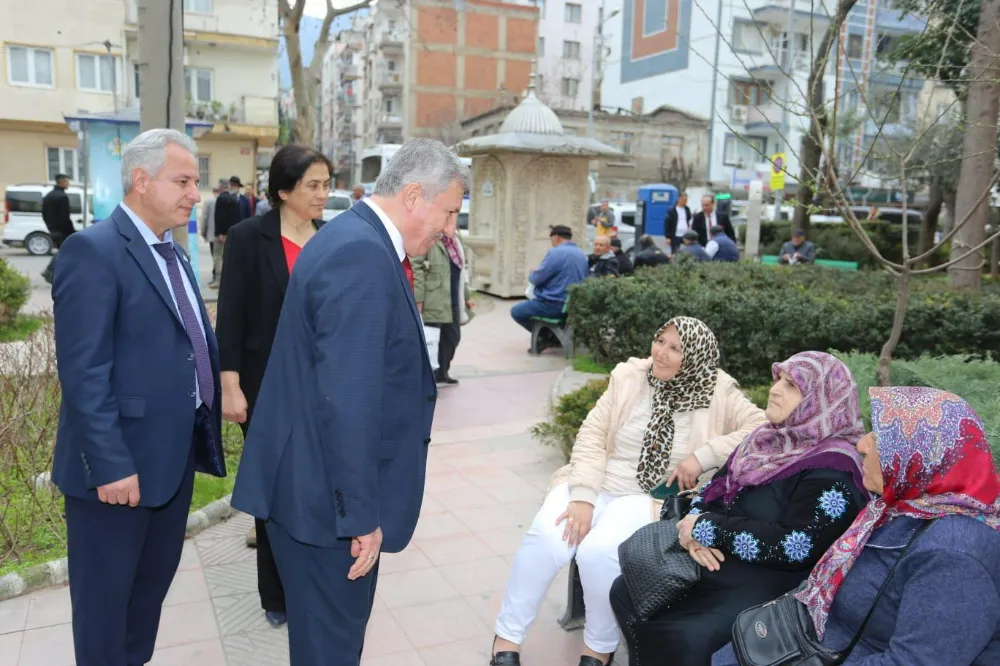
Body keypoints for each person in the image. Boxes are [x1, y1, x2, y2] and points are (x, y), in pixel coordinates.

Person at [230, 138, 470, 666]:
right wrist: (360, 517)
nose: (450, 228)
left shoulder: (350, 238)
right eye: (449, 212)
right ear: (414, 195)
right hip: (324, 507)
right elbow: (349, 399)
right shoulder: (361, 254)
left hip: (311, 491)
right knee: (330, 651)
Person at [490, 317, 767, 666]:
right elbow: (592, 434)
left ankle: (597, 649)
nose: (661, 354)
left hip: (646, 497)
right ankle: (508, 637)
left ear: (695, 356)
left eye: (675, 348)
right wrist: (583, 497)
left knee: (599, 552)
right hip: (595, 479)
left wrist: (704, 455)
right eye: (660, 341)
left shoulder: (718, 391)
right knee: (547, 536)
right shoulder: (630, 377)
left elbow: (762, 427)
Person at [50, 128, 226, 666]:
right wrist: (109, 465)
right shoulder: (94, 251)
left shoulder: (171, 253)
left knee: (144, 605)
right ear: (141, 179)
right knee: (106, 614)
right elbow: (84, 372)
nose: (195, 193)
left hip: (168, 467)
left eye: (196, 181)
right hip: (116, 476)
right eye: (183, 180)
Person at [611, 351, 869, 666]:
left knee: (687, 636)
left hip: (771, 582)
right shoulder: (765, 439)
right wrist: (691, 525)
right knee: (627, 588)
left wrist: (708, 528)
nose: (775, 389)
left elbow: (796, 546)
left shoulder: (834, 468)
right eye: (778, 379)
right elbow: (713, 487)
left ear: (821, 401)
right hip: (714, 560)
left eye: (791, 386)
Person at [713, 386, 1000, 665]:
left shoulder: (955, 557)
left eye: (881, 438)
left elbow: (915, 660)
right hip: (811, 639)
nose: (862, 444)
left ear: (919, 456)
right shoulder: (900, 507)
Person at [216, 144, 332, 628]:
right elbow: (232, 316)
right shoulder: (248, 238)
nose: (324, 195)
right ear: (283, 190)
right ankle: (276, 594)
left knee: (318, 487)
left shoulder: (332, 239)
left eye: (327, 184)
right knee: (275, 490)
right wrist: (230, 385)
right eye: (313, 185)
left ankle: (313, 583)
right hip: (266, 387)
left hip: (324, 390)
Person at [411, 230, 474, 386]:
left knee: (452, 337)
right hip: (433, 297)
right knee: (432, 340)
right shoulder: (428, 235)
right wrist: (418, 297)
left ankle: (442, 373)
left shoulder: (456, 238)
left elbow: (461, 270)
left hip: (453, 296)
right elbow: (415, 267)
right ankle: (428, 379)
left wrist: (466, 296)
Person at [510, 225, 588, 331]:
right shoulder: (581, 254)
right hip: (573, 305)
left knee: (517, 311)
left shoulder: (555, 253)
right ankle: (550, 336)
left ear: (556, 238)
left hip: (554, 304)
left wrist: (533, 274)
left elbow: (536, 279)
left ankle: (545, 336)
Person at [41, 173, 75, 283]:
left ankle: (55, 272)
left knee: (62, 251)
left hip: (52, 229)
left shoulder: (48, 196)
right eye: (67, 181)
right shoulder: (62, 197)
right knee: (65, 251)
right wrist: (71, 232)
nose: (68, 183)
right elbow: (64, 218)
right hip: (62, 231)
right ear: (62, 182)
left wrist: (50, 227)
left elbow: (44, 214)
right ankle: (49, 271)